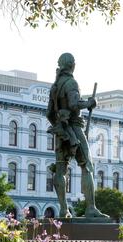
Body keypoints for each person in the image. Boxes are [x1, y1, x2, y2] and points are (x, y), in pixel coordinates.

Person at [47, 52, 108, 218]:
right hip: (74, 128)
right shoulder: (71, 82)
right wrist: (89, 103)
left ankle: (63, 209)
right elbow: (74, 104)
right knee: (87, 166)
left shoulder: (55, 86)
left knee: (60, 169)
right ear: (72, 65)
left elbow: (49, 113)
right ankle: (90, 208)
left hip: (60, 131)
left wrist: (59, 125)